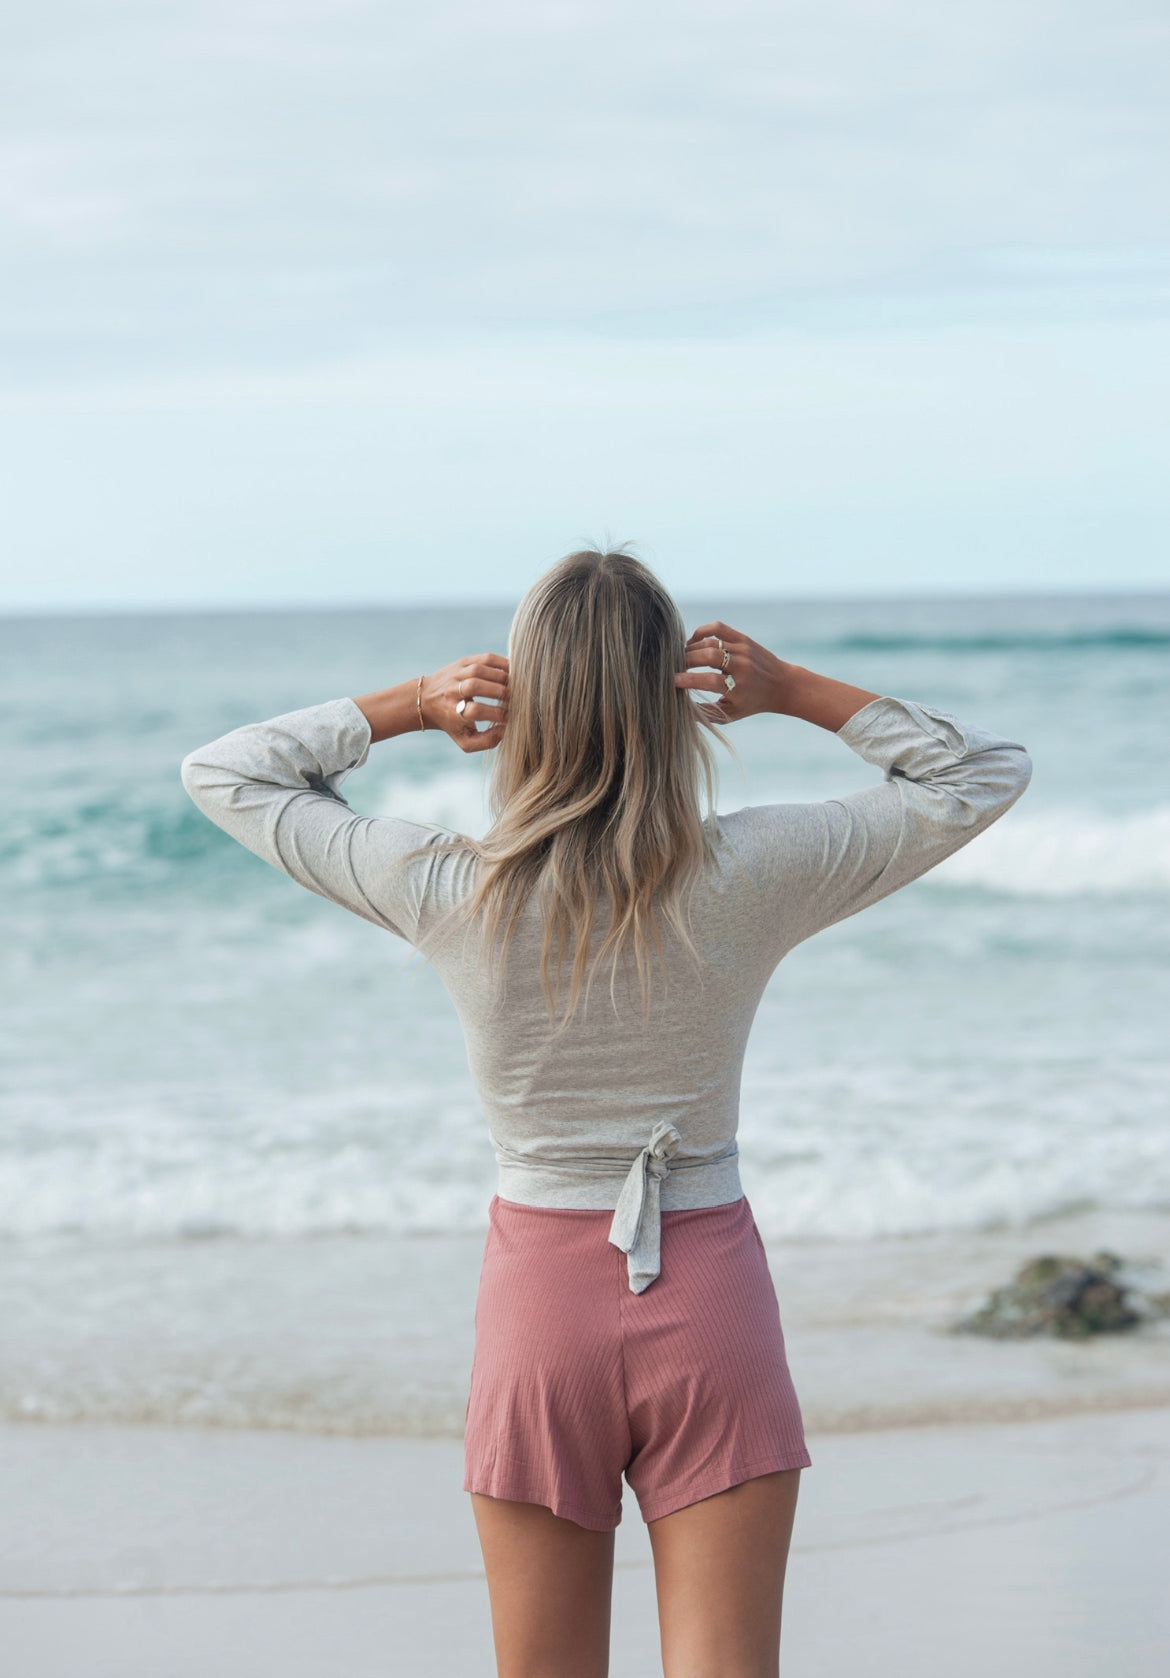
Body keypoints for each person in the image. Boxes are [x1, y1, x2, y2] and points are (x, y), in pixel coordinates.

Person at [181, 548, 1031, 1678]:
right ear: (668, 701)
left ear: (529, 699)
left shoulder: (450, 885)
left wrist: (414, 707)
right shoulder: (751, 869)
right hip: (711, 1301)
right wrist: (789, 690)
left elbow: (228, 773)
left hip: (540, 1316)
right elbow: (979, 772)